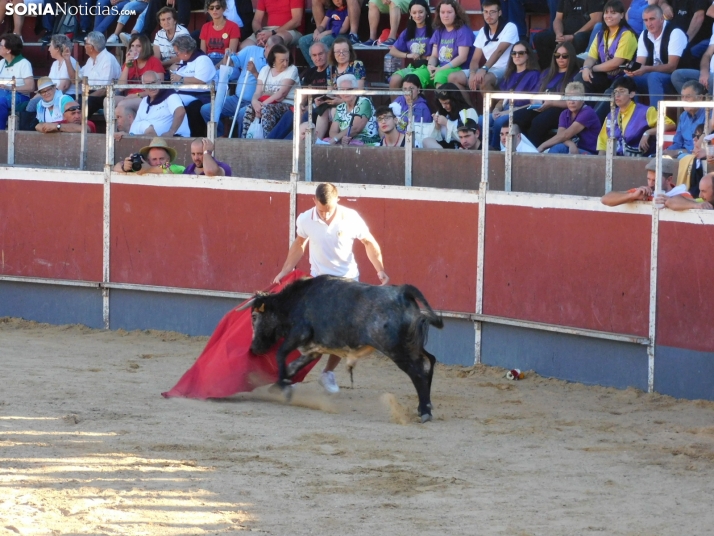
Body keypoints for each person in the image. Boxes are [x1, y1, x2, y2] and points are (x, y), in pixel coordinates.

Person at [272, 182, 389, 394]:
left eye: (329, 210)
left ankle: (328, 372)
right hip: (319, 283)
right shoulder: (306, 218)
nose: (325, 215)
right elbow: (299, 244)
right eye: (321, 210)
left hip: (347, 281)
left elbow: (369, 242)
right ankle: (294, 372)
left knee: (344, 331)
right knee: (308, 330)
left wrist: (379, 269)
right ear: (314, 201)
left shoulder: (350, 217)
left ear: (338, 201)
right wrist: (284, 271)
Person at [201, 35, 283, 137]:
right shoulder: (251, 50)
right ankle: (219, 138)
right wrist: (228, 56)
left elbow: (271, 87)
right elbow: (232, 62)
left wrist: (254, 72)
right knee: (207, 110)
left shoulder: (280, 63)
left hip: (258, 102)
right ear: (266, 46)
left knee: (242, 114)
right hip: (237, 98)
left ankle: (241, 143)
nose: (274, 55)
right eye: (273, 51)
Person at [623, 4, 686, 109]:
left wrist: (647, 69)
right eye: (646, 20)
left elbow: (672, 66)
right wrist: (632, 70)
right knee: (628, 78)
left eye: (652, 19)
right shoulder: (644, 34)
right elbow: (640, 63)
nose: (649, 24)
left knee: (654, 77)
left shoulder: (675, 32)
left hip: (676, 78)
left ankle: (655, 117)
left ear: (662, 18)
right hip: (656, 77)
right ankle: (633, 115)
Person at [596, 75, 675, 156]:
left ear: (632, 94)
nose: (617, 95)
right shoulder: (611, 115)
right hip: (614, 161)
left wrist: (647, 132)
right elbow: (603, 143)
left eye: (622, 91)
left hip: (641, 160)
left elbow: (670, 124)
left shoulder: (646, 111)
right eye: (615, 92)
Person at [483, 40, 541, 150]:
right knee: (481, 120)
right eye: (514, 53)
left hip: (520, 110)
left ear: (528, 55)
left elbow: (533, 104)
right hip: (504, 109)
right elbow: (502, 99)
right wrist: (496, 109)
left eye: (521, 53)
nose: (517, 56)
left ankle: (494, 150)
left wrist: (508, 112)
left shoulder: (534, 75)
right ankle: (482, 150)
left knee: (499, 122)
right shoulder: (509, 74)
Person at [574, 0, 637, 97]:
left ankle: (591, 110)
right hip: (605, 75)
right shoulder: (601, 34)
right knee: (579, 78)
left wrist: (592, 68)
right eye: (606, 13)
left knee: (606, 90)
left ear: (622, 15)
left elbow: (616, 62)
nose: (608, 16)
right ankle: (586, 109)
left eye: (613, 13)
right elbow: (591, 57)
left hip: (622, 77)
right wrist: (586, 68)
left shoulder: (627, 34)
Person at [523, 41, 579, 147]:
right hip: (541, 105)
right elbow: (534, 93)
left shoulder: (576, 75)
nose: (560, 58)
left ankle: (531, 153)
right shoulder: (547, 72)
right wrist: (535, 101)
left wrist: (551, 103)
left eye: (564, 56)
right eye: (557, 55)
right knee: (519, 117)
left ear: (571, 56)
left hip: (561, 109)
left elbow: (574, 101)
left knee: (538, 122)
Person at [458, 0, 518, 94]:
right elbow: (475, 59)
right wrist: (472, 73)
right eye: (485, 12)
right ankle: (470, 108)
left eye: (492, 12)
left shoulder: (510, 27)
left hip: (506, 68)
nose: (488, 15)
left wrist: (484, 69)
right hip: (489, 68)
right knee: (453, 77)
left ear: (499, 13)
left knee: (483, 79)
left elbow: (499, 51)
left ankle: (491, 109)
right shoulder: (483, 31)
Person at [241, 43, 300, 138]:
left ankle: (267, 141)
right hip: (268, 102)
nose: (285, 63)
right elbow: (258, 92)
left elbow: (282, 93)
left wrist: (262, 105)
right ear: (273, 60)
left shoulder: (292, 69)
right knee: (249, 109)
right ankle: (245, 140)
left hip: (288, 103)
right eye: (282, 61)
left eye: (287, 60)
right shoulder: (265, 70)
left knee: (266, 109)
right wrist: (255, 102)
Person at [533, 0, 603, 70]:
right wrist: (559, 34)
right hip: (565, 35)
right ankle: (549, 71)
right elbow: (558, 19)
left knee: (579, 38)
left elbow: (596, 20)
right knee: (540, 38)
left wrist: (573, 36)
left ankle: (575, 69)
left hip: (584, 35)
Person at [170, 34, 217, 136]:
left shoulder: (202, 60)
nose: (176, 55)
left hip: (200, 95)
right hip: (183, 93)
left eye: (177, 53)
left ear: (185, 51)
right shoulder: (185, 60)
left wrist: (181, 79)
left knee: (192, 108)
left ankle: (192, 136)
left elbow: (201, 80)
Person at [538, 81, 601, 154]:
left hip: (589, 152)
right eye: (568, 98)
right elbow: (560, 135)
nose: (571, 102)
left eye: (575, 98)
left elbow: (566, 135)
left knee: (558, 148)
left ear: (583, 99)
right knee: (558, 147)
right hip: (572, 148)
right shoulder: (564, 114)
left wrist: (542, 146)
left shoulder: (587, 112)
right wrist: (571, 144)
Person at [319, 73, 380, 145]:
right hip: (346, 142)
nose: (346, 93)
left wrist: (335, 139)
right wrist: (341, 139)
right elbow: (333, 131)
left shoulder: (364, 102)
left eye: (349, 89)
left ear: (356, 90)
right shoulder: (340, 107)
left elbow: (356, 128)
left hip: (366, 142)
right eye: (342, 90)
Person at [426, 0, 474, 88]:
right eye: (442, 12)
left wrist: (440, 69)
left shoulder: (463, 31)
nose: (445, 16)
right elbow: (434, 56)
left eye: (449, 12)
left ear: (456, 13)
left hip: (459, 68)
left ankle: (440, 101)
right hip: (440, 67)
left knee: (439, 76)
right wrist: (430, 66)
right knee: (419, 76)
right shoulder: (438, 31)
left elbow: (462, 58)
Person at [386, 0, 433, 91]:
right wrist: (408, 55)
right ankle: (394, 105)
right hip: (414, 67)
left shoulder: (434, 29)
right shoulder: (408, 31)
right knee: (394, 79)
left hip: (429, 67)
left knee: (413, 80)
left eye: (420, 12)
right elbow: (392, 51)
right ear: (410, 14)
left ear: (426, 12)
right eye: (414, 13)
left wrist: (427, 57)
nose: (417, 15)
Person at [601, 156, 682, 205]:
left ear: (669, 179)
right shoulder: (643, 192)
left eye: (655, 180)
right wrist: (632, 196)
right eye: (648, 179)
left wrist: (669, 201)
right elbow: (605, 199)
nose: (650, 184)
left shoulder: (681, 195)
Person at [129, 70, 190, 137]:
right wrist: (129, 135)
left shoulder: (169, 94)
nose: (152, 87)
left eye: (154, 82)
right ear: (143, 87)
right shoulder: (144, 101)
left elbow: (180, 112)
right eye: (148, 84)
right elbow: (136, 123)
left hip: (174, 138)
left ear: (159, 81)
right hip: (151, 140)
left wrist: (171, 132)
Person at [421, 83, 477, 149]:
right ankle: (443, 156)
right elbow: (432, 136)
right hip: (443, 147)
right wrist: (436, 127)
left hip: (461, 146)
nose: (444, 106)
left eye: (446, 103)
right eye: (441, 103)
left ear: (455, 100)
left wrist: (447, 123)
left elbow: (467, 138)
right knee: (426, 141)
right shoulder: (441, 112)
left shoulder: (468, 112)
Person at [115, 34, 165, 108]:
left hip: (147, 97)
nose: (134, 49)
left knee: (123, 104)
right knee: (108, 101)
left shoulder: (154, 61)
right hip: (129, 97)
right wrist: (127, 65)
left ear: (145, 48)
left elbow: (158, 87)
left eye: (138, 46)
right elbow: (121, 87)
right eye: (132, 46)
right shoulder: (129, 62)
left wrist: (137, 95)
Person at [80, 32, 123, 119]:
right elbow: (77, 77)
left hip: (105, 95)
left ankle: (80, 129)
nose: (84, 46)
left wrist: (86, 97)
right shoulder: (90, 60)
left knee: (84, 103)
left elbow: (104, 90)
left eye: (86, 44)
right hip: (91, 94)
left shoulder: (108, 60)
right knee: (72, 103)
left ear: (91, 48)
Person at [298, 0, 347, 68]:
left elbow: (344, 29)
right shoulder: (331, 10)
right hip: (327, 34)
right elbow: (322, 25)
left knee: (323, 41)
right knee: (302, 41)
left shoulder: (347, 10)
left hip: (340, 35)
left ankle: (327, 67)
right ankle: (314, 67)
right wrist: (317, 31)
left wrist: (326, 32)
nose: (337, 1)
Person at [665, 80, 707, 158]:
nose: (684, 100)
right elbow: (677, 143)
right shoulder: (683, 116)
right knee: (656, 158)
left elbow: (706, 146)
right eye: (682, 97)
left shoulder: (709, 115)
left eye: (688, 96)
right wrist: (665, 152)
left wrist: (679, 152)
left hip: (700, 157)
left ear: (700, 98)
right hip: (682, 155)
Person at [0, 33, 34, 130]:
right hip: (3, 93)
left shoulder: (24, 63)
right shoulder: (2, 62)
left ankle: (1, 133)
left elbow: (30, 87)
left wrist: (10, 87)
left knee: (0, 102)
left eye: (1, 45)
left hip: (19, 96)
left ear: (8, 50)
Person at [113, 136, 186, 174]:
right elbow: (116, 168)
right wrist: (124, 167)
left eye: (161, 159)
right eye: (154, 159)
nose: (158, 162)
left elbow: (169, 170)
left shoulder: (174, 168)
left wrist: (148, 169)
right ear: (148, 160)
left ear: (168, 159)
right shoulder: (142, 167)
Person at [200, 0, 241, 64]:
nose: (214, 10)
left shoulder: (233, 26)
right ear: (208, 10)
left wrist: (216, 67)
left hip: (226, 61)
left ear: (223, 8)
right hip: (209, 62)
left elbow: (231, 55)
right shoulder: (205, 27)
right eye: (211, 8)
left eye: (217, 7)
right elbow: (203, 54)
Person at [48, 34, 78, 99]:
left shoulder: (70, 61)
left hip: (68, 97)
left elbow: (63, 86)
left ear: (57, 49)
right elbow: (48, 85)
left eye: (50, 46)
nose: (48, 49)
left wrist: (47, 97)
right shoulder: (55, 64)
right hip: (55, 96)